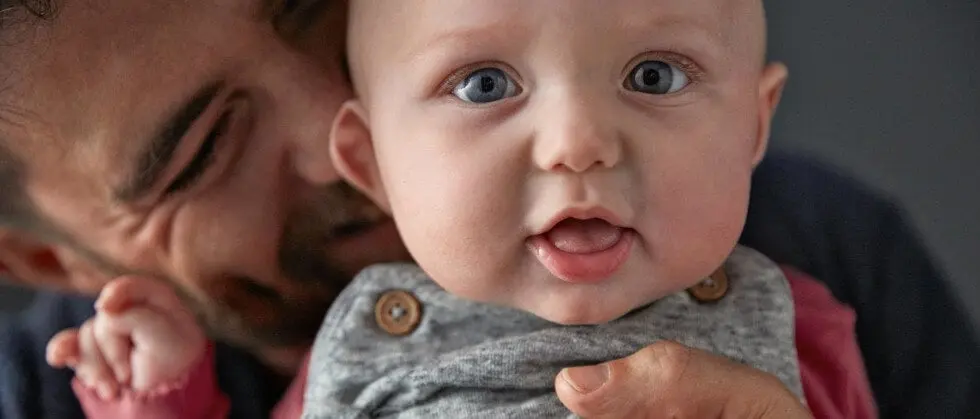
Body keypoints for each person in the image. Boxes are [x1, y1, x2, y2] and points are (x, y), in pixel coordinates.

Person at [0, 0, 976, 418]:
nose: (347, 132)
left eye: (321, 11)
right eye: (203, 150)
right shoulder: (47, 392)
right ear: (52, 263)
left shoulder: (818, 253)